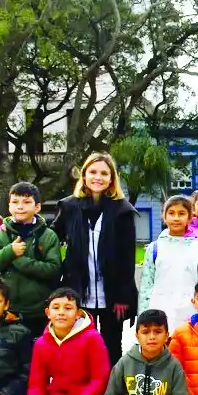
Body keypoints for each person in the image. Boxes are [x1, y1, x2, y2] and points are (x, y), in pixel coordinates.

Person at [53, 152, 138, 366]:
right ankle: (83, 394)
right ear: (84, 175)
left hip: (112, 294)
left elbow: (128, 258)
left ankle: (111, 394)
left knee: (111, 345)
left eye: (104, 173)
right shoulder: (69, 207)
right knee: (80, 345)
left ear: (111, 179)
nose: (98, 177)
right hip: (80, 290)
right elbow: (51, 236)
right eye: (93, 172)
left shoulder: (122, 210)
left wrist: (123, 295)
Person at [26, 287, 111, 395]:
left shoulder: (92, 338)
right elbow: (36, 384)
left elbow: (100, 379)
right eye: (56, 307)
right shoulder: (42, 343)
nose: (61, 313)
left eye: (68, 308)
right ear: (47, 313)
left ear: (78, 313)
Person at [0, 182, 63, 339]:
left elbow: (53, 270)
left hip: (38, 310)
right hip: (7, 310)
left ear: (37, 207)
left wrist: (19, 260)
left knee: (34, 356)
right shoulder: (1, 235)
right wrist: (9, 251)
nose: (20, 207)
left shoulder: (48, 236)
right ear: (9, 205)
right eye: (15, 202)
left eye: (26, 202)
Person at [139, 195, 198, 328]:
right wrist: (143, 316)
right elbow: (146, 286)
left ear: (190, 218)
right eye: (171, 213)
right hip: (158, 310)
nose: (176, 218)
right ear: (164, 217)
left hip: (188, 313)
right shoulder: (154, 248)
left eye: (181, 213)